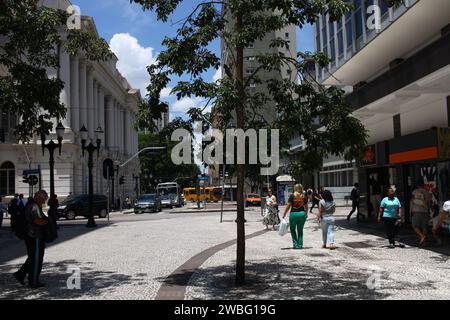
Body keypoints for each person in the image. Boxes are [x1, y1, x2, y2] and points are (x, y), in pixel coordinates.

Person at [14, 190, 49, 288]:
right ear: (39, 197)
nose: (44, 201)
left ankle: (20, 274)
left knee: (32, 257)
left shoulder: (34, 205)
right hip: (35, 236)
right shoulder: (34, 206)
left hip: (33, 236)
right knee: (36, 259)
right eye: (44, 199)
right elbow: (37, 220)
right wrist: (47, 222)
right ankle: (33, 281)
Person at [282, 184, 308, 249]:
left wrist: (284, 214)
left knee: (292, 229)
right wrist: (306, 214)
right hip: (302, 214)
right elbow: (306, 207)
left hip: (293, 214)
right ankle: (300, 245)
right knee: (300, 230)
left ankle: (295, 244)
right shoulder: (304, 196)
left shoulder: (292, 196)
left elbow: (288, 206)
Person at [410, 181, 431, 246]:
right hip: (425, 211)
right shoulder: (427, 192)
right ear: (423, 185)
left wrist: (411, 210)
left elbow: (411, 201)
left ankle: (422, 236)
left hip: (416, 211)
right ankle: (424, 242)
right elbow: (429, 202)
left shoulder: (414, 192)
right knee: (424, 226)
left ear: (418, 185)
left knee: (414, 225)